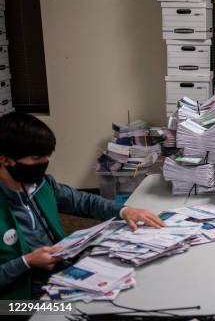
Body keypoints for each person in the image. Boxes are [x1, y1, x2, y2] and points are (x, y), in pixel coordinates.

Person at [0, 112, 165, 299]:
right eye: (37, 158)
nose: (45, 163)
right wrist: (27, 262)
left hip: (59, 276)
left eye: (47, 157)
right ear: (5, 160)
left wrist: (124, 210)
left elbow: (83, 201)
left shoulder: (41, 184)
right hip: (16, 302)